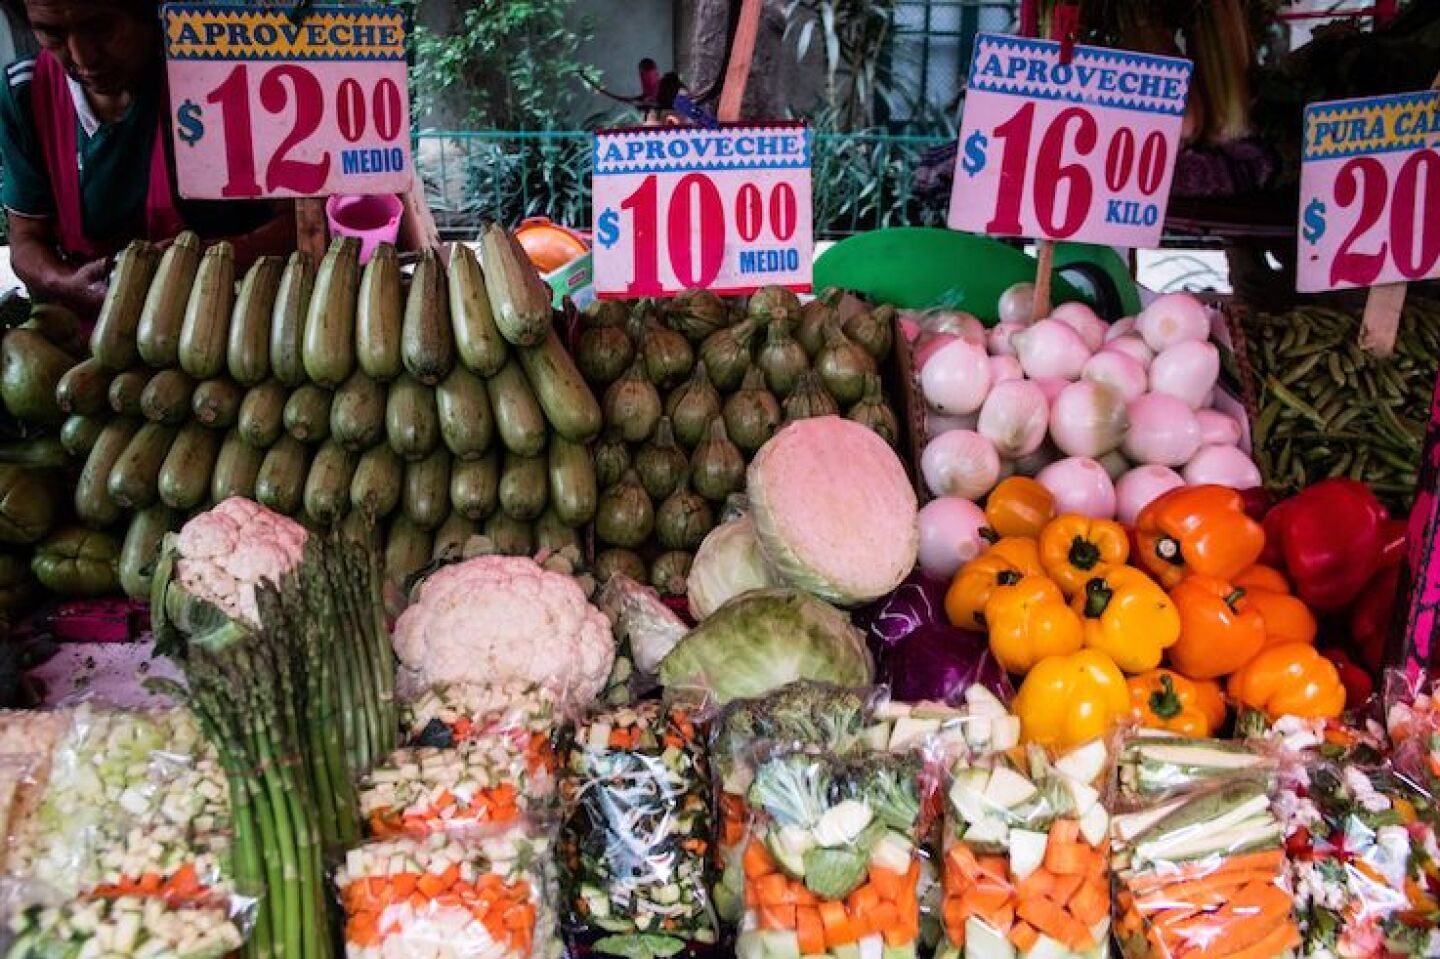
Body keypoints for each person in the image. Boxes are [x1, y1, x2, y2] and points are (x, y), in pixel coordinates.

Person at [0, 0, 295, 318]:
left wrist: (214, 259)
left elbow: (301, 223)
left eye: (101, 27)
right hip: (100, 332)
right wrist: (67, 283)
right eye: (52, 34)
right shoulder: (27, 93)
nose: (83, 58)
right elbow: (27, 238)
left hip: (236, 320)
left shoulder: (226, 75)